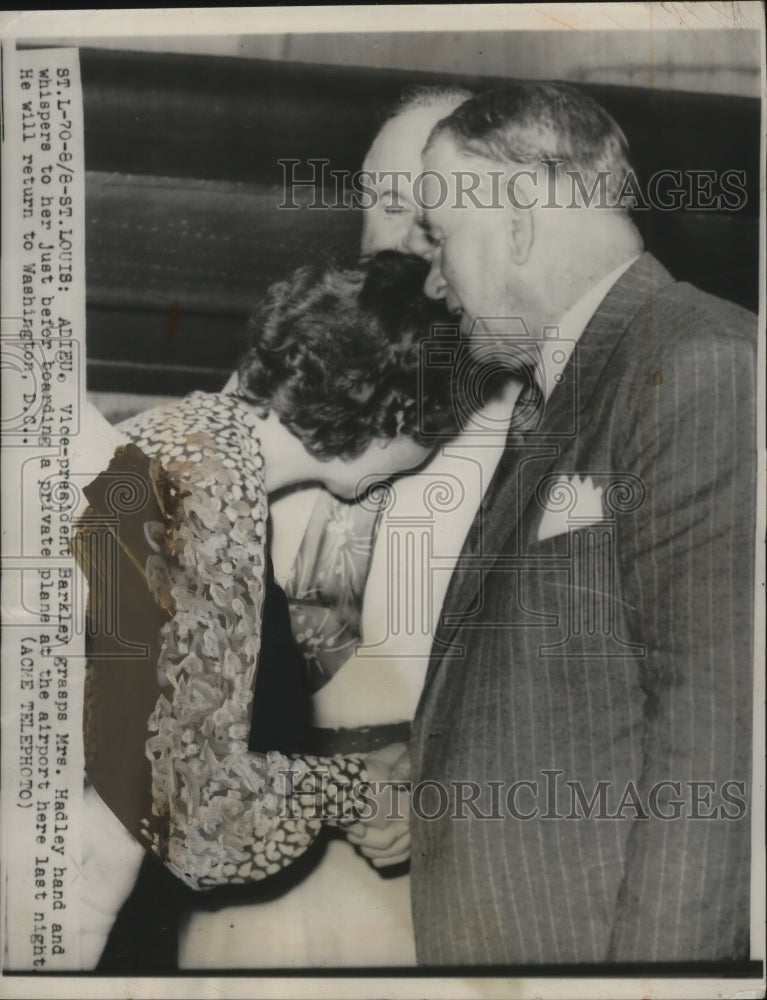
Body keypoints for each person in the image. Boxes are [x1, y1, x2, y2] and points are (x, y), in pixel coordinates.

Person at [405, 82, 757, 964]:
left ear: (519, 211)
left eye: (439, 235)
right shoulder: (567, 387)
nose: (432, 278)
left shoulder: (700, 361)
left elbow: (718, 735)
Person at [79, 251, 508, 968]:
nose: (430, 453)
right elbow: (198, 821)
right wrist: (354, 791)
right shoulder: (213, 497)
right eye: (435, 429)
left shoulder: (180, 439)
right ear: (395, 415)